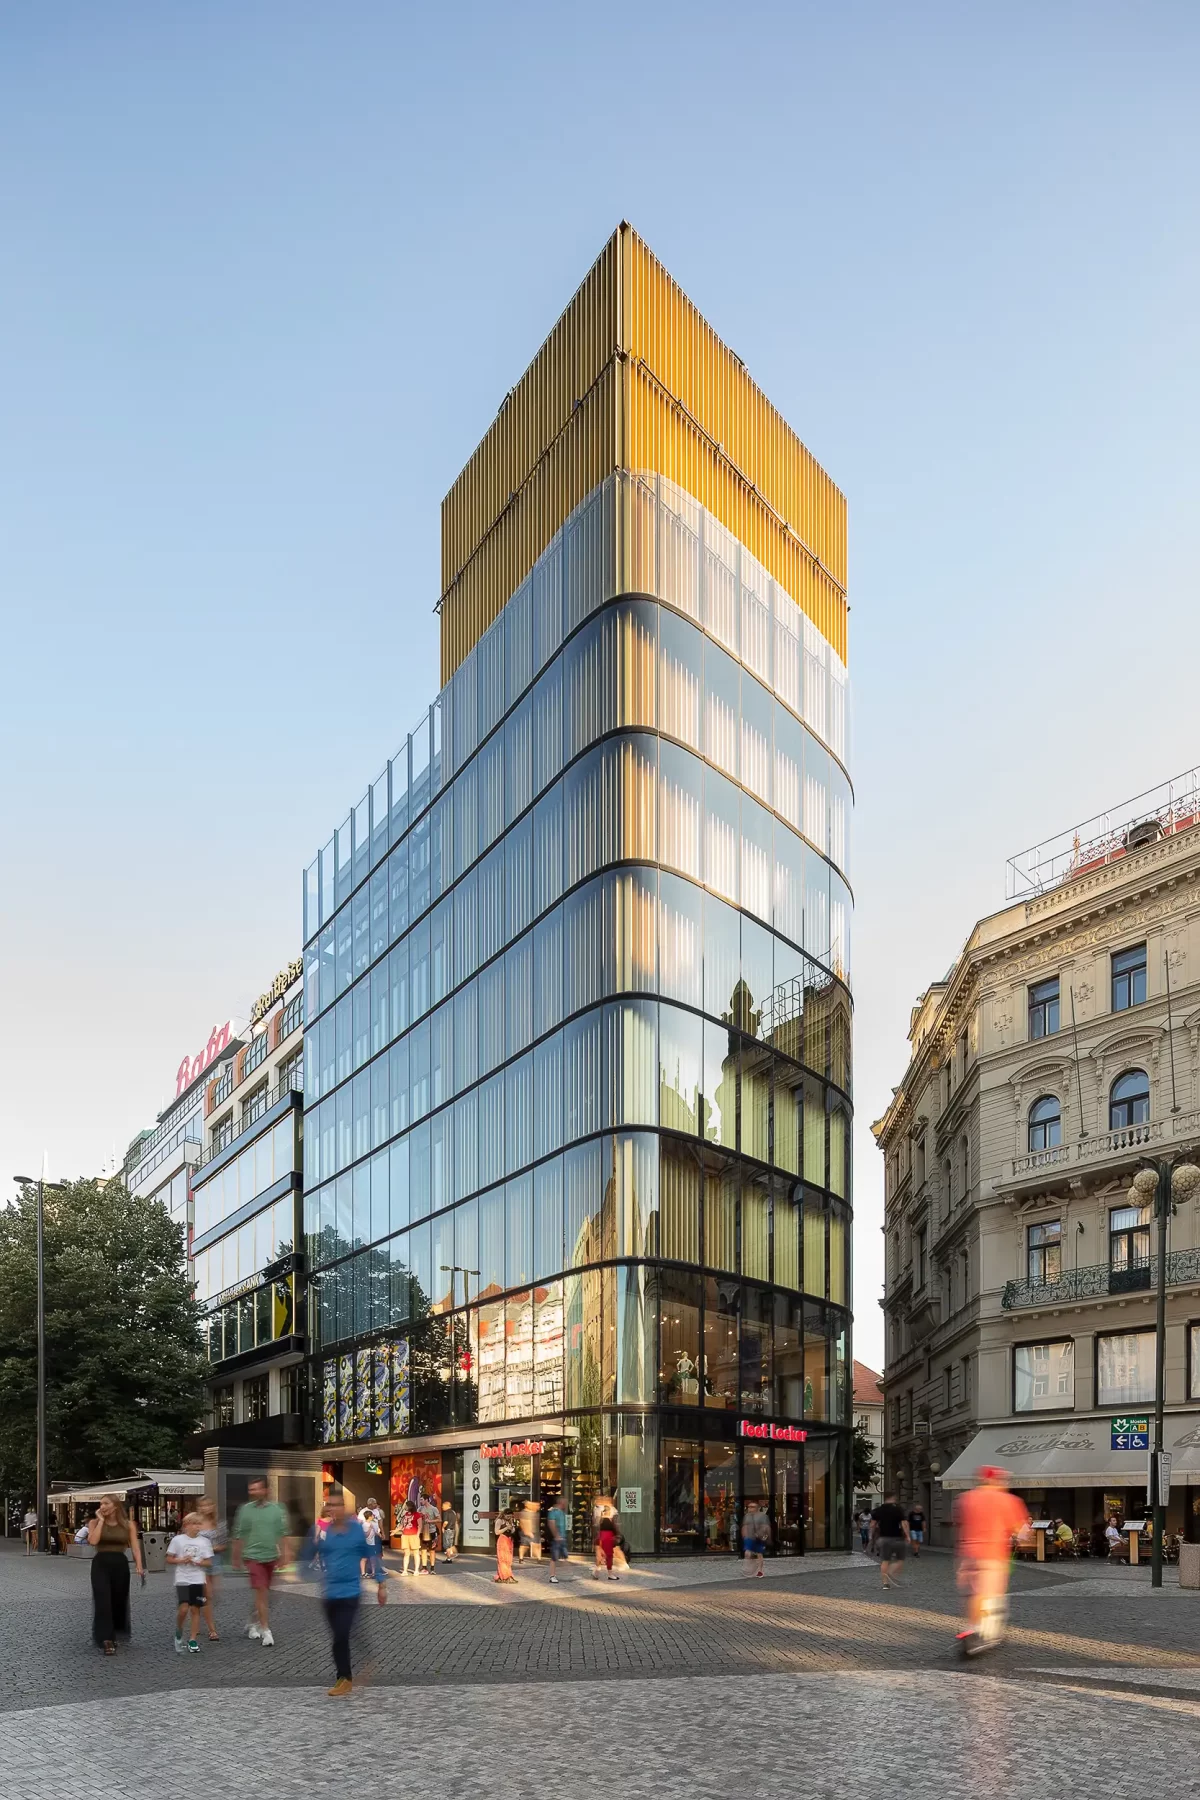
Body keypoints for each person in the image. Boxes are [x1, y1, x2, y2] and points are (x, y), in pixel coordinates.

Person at [298, 1485, 384, 1697]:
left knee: (342, 1634)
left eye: (337, 1505)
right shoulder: (325, 1532)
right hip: (330, 1593)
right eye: (330, 1505)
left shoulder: (355, 1530)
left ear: (344, 1508)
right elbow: (309, 1555)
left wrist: (381, 1583)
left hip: (351, 1592)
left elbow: (370, 1552)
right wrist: (309, 1556)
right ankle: (351, 1670)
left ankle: (345, 1678)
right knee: (339, 1636)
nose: (333, 1509)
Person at [953, 1465, 1030, 1638]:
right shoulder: (1008, 1500)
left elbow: (959, 1523)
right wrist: (1021, 1540)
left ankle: (973, 1625)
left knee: (974, 1594)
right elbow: (1022, 1531)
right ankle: (986, 1631)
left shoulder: (965, 1498)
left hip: (968, 1555)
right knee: (991, 1593)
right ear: (997, 1480)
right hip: (992, 1554)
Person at [231, 1477, 292, 1647]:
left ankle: (253, 1622)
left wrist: (286, 1554)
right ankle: (266, 1631)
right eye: (251, 1489)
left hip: (271, 1556)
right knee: (262, 1591)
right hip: (252, 1557)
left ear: (266, 1490)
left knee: (266, 1595)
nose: (253, 1492)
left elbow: (282, 1533)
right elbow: (239, 1534)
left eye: (256, 1489)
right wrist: (236, 1557)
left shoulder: (276, 1510)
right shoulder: (245, 1510)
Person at [86, 1496, 144, 1654]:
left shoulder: (128, 1525)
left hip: (120, 1564)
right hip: (100, 1564)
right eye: (101, 1504)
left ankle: (115, 1631)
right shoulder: (94, 1523)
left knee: (117, 1600)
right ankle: (106, 1638)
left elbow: (135, 1547)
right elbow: (93, 1541)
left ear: (116, 1506)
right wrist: (101, 1521)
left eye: (106, 1503)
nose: (102, 1506)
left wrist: (139, 1565)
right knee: (103, 1600)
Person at [167, 1513, 214, 1656]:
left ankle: (192, 1640)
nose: (197, 1527)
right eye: (194, 1524)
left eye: (199, 1524)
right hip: (182, 1578)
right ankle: (179, 1629)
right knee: (183, 1608)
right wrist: (181, 1560)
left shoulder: (204, 1542)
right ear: (186, 1525)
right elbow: (169, 1559)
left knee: (195, 1609)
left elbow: (209, 1562)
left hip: (198, 1579)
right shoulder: (177, 1540)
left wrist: (198, 1562)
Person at [195, 1498, 227, 1641]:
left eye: (208, 1505)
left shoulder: (219, 1524)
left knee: (209, 1595)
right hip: (200, 1563)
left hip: (215, 1562)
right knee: (207, 1595)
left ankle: (197, 1615)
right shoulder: (195, 1523)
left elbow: (223, 1545)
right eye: (202, 1505)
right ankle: (212, 1630)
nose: (205, 1508)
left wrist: (211, 1548)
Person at [870, 1493, 910, 1590]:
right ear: (892, 1498)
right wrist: (907, 1535)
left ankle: (885, 1584)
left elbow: (872, 1525)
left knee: (885, 1561)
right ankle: (890, 1571)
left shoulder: (878, 1510)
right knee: (900, 1560)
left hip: (883, 1538)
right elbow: (904, 1523)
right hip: (897, 1538)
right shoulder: (898, 1509)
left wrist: (871, 1536)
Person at [742, 1499, 771, 1577]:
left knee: (759, 1554)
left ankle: (760, 1571)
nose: (750, 1508)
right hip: (750, 1537)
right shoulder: (747, 1516)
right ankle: (748, 1568)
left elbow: (766, 1527)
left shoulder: (763, 1516)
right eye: (749, 1507)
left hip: (759, 1537)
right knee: (747, 1553)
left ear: (757, 1508)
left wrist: (767, 1537)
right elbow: (745, 1526)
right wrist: (744, 1535)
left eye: (752, 1507)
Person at [357, 1499, 385, 1580]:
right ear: (369, 1504)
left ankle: (376, 1570)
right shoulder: (363, 1512)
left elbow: (380, 1522)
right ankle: (364, 1571)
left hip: (374, 1536)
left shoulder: (376, 1511)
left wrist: (382, 1533)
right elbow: (359, 1523)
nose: (376, 1505)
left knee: (377, 1553)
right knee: (364, 1557)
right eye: (374, 1503)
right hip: (366, 1539)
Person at [396, 1493, 421, 1575]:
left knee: (416, 1553)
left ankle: (416, 1570)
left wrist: (417, 1535)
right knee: (406, 1553)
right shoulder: (406, 1514)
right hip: (405, 1535)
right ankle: (405, 1570)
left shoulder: (417, 1515)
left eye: (406, 1506)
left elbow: (420, 1525)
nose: (405, 1507)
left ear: (410, 1506)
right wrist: (395, 1531)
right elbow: (402, 1525)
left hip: (414, 1535)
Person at [494, 1505, 519, 1583]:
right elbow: (496, 1532)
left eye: (510, 1516)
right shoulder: (499, 1521)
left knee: (508, 1559)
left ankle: (503, 1576)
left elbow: (512, 1531)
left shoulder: (510, 1521)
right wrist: (506, 1528)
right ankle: (505, 1576)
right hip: (502, 1540)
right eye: (508, 1516)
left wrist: (512, 1528)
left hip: (509, 1540)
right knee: (502, 1559)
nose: (509, 1517)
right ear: (504, 1514)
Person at [547, 1495, 568, 1584]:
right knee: (554, 1557)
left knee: (564, 1556)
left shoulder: (562, 1512)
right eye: (565, 1502)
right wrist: (556, 1535)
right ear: (561, 1502)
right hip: (557, 1538)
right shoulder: (553, 1512)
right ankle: (552, 1576)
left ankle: (566, 1573)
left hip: (562, 1537)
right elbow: (551, 1523)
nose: (566, 1503)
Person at [596, 1507, 620, 1582]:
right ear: (609, 1511)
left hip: (602, 1538)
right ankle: (610, 1574)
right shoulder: (610, 1519)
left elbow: (598, 1529)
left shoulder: (601, 1520)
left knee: (602, 1556)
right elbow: (615, 1529)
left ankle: (596, 1572)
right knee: (609, 1556)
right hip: (608, 1538)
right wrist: (617, 1536)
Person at [419, 1490, 441, 1572]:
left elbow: (439, 1519)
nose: (420, 1501)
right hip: (423, 1532)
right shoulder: (420, 1509)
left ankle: (432, 1568)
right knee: (423, 1550)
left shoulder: (433, 1509)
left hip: (432, 1531)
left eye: (422, 1499)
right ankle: (424, 1567)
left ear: (426, 1500)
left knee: (432, 1550)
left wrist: (430, 1521)